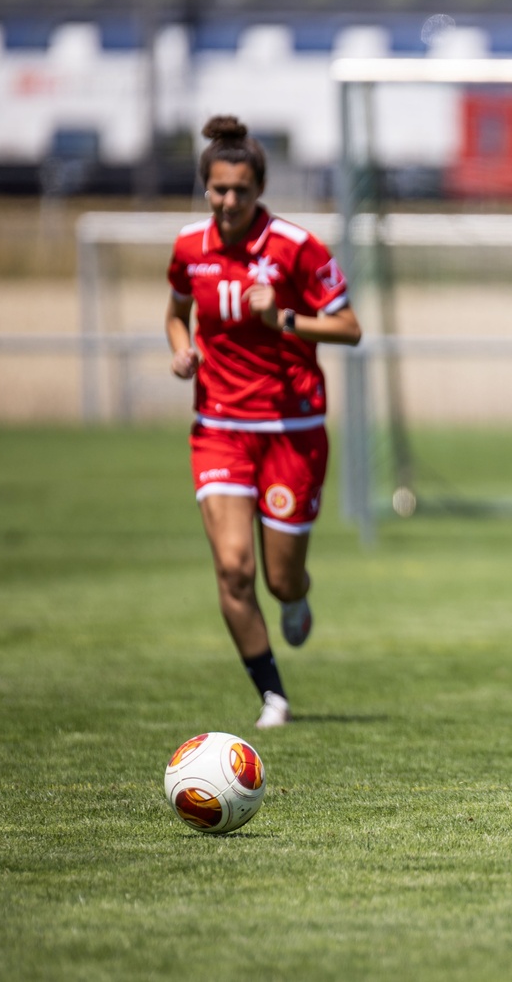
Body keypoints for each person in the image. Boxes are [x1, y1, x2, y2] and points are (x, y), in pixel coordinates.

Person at [165, 116, 362, 729]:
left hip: (292, 433)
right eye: (219, 190)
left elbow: (349, 328)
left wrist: (285, 320)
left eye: (241, 191)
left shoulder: (297, 248)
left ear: (260, 190)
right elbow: (175, 313)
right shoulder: (188, 248)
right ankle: (273, 696)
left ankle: (296, 596)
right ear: (206, 187)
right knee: (233, 567)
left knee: (279, 579)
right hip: (219, 427)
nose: (229, 202)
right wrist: (181, 348)